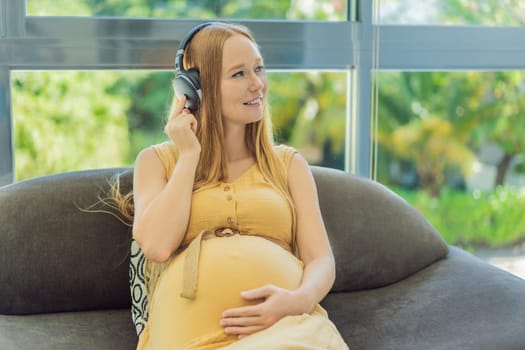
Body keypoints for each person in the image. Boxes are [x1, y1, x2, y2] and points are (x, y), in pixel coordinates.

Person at [131, 21, 349, 349]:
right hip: (190, 335)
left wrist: (298, 301)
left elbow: (321, 260)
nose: (256, 84)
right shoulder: (157, 162)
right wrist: (189, 155)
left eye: (258, 69)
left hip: (288, 328)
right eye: (238, 74)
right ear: (193, 88)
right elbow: (157, 246)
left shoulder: (288, 165)